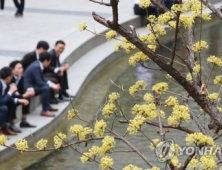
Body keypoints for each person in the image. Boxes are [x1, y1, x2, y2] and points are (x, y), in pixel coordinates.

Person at [23, 52, 60, 117]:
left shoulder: (37, 65)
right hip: (29, 88)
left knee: (47, 86)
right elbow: (40, 82)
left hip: (33, 85)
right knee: (45, 88)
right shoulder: (36, 67)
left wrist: (51, 83)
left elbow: (42, 78)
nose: (49, 64)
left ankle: (47, 106)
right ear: (46, 61)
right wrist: (51, 86)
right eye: (49, 62)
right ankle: (44, 110)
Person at [0, 67, 29, 135]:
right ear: (9, 77)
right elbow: (1, 101)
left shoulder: (4, 84)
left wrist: (18, 100)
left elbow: (5, 98)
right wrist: (10, 92)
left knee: (11, 103)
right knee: (4, 108)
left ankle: (5, 127)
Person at [9, 60, 35, 132]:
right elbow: (12, 95)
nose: (21, 70)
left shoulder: (21, 78)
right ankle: (11, 124)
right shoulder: (10, 78)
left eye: (22, 68)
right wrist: (23, 95)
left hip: (16, 96)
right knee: (13, 102)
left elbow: (21, 91)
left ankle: (24, 121)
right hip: (9, 98)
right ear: (12, 70)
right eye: (19, 68)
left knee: (27, 98)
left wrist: (26, 93)